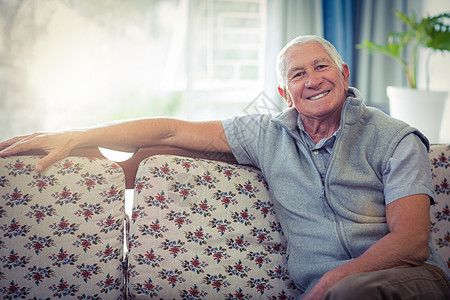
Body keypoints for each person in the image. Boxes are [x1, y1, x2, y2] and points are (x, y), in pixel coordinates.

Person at [1, 35, 449, 299]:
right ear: (283, 92)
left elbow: (410, 241)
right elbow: (173, 131)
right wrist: (78, 136)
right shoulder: (266, 134)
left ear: (344, 73)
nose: (312, 79)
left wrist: (334, 280)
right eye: (297, 74)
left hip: (407, 281)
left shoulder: (395, 137)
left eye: (321, 67)